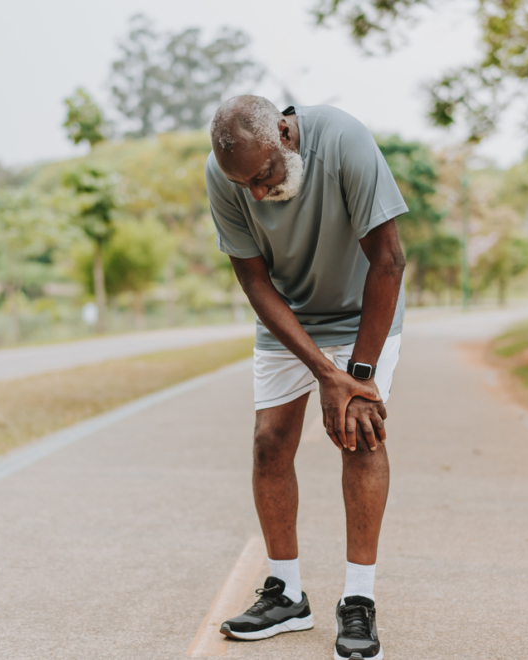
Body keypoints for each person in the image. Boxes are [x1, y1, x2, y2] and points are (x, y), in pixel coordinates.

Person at [206, 95, 407, 660]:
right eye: (244, 183)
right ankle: (286, 593)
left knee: (359, 434)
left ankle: (358, 601)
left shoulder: (344, 140)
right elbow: (253, 279)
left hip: (363, 310)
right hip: (289, 318)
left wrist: (356, 378)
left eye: (264, 175)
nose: (257, 194)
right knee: (270, 441)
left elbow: (389, 259)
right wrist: (324, 373)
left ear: (286, 136)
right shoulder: (228, 174)